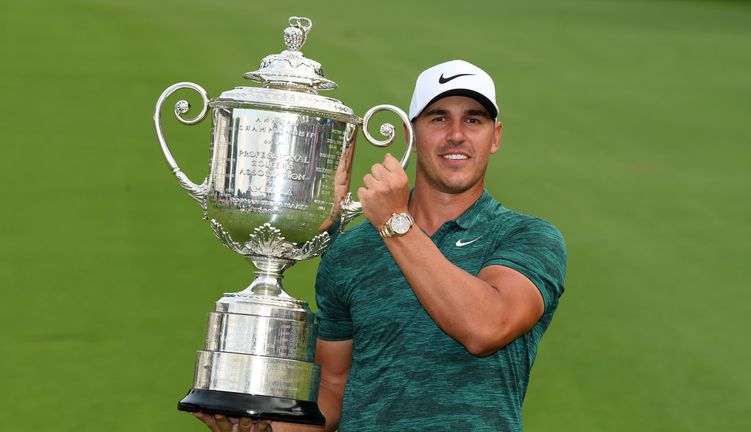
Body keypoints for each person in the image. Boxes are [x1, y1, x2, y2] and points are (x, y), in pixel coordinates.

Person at [195, 59, 567, 432]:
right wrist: (262, 428)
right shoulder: (350, 251)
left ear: (495, 136)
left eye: (473, 120)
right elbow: (332, 387)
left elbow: (485, 328)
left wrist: (395, 224)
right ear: (411, 134)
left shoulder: (528, 238)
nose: (456, 134)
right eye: (438, 118)